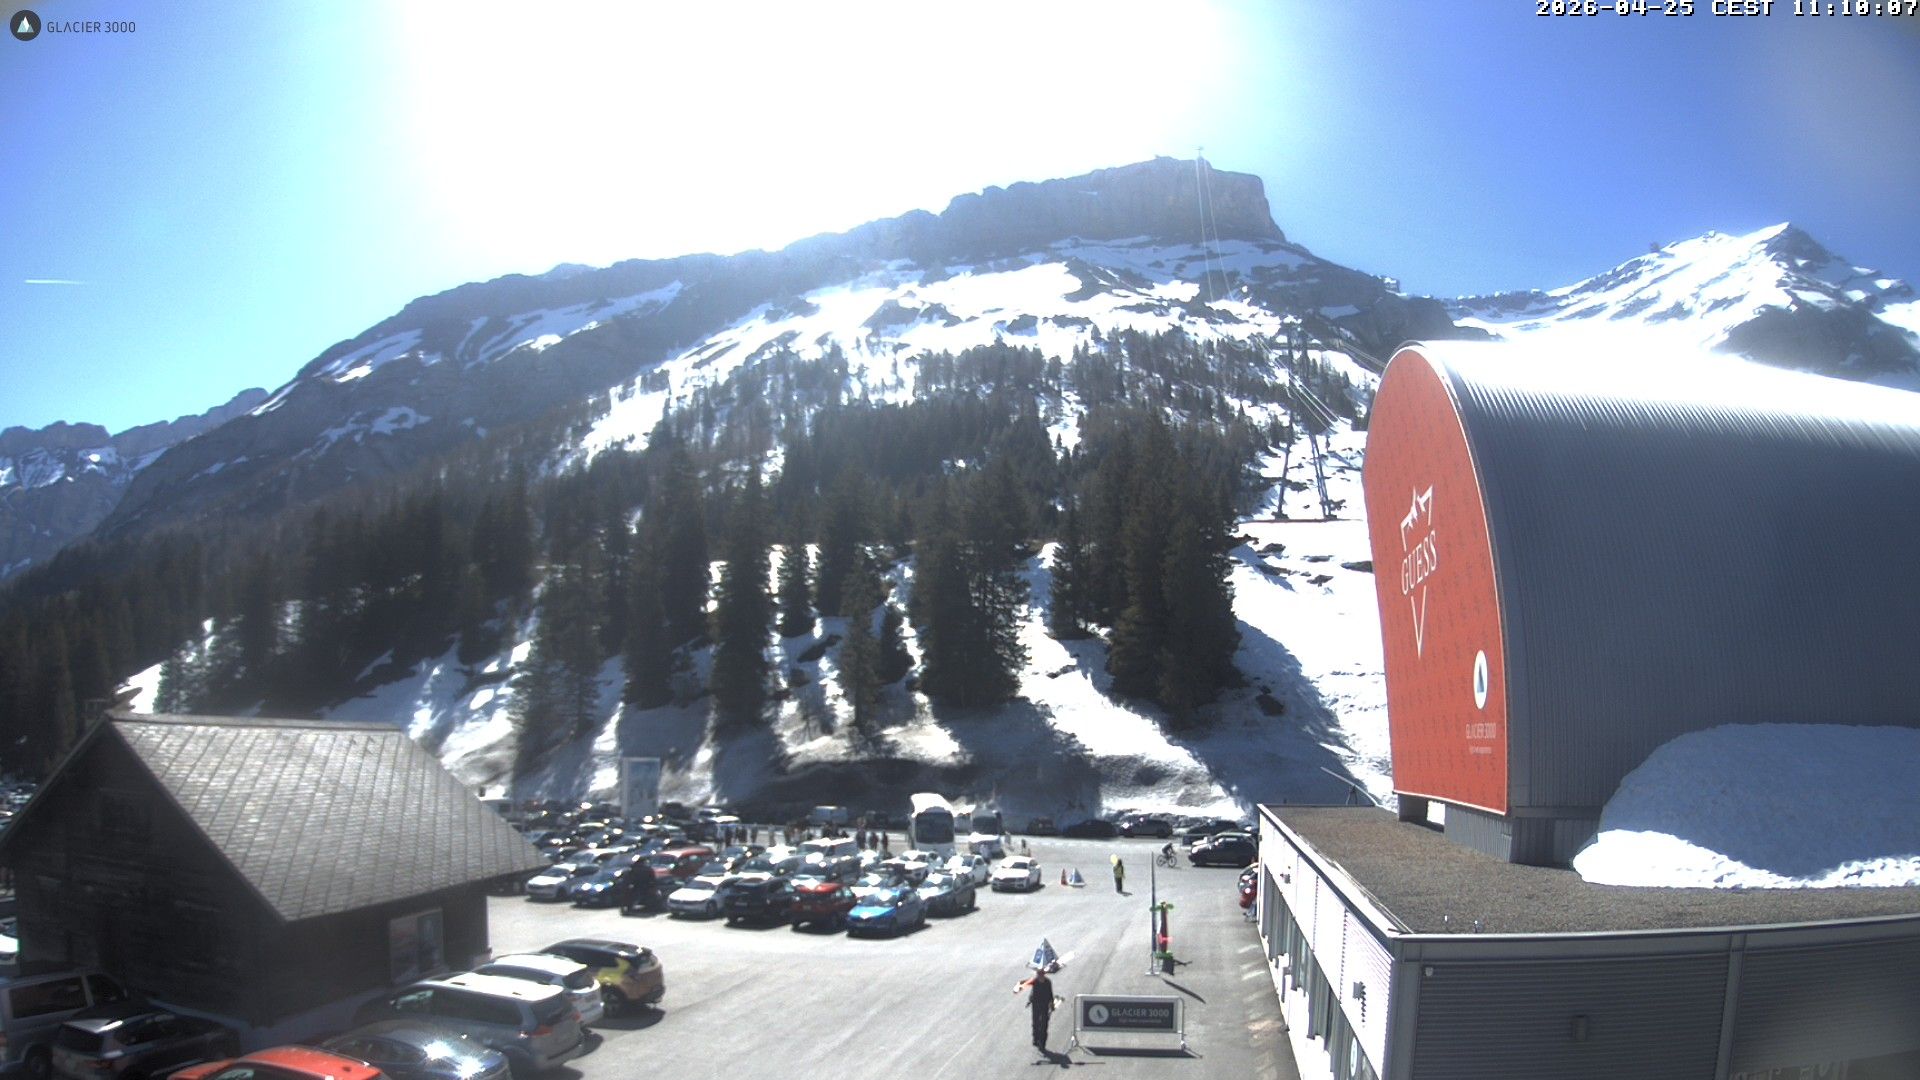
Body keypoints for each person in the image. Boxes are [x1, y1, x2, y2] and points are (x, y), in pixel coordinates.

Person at [1017, 963, 1058, 1051]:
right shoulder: (1034, 981)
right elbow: (1029, 990)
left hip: (1044, 1005)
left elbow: (1050, 994)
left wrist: (1052, 1005)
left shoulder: (1047, 982)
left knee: (1044, 1024)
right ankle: (1036, 1039)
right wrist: (1029, 1000)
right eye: (1039, 974)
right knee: (1035, 1023)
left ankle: (1042, 1043)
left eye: (1041, 974)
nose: (1040, 976)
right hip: (1036, 1005)